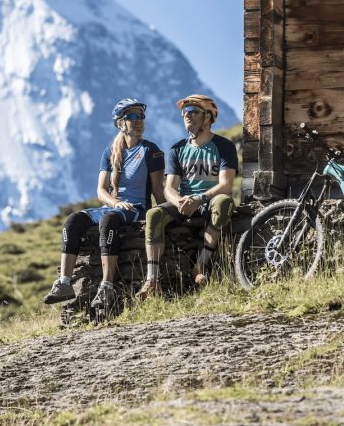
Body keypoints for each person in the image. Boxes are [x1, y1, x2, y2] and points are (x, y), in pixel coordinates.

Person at [43, 97, 165, 309]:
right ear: (120, 123)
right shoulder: (109, 152)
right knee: (73, 220)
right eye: (132, 116)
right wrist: (116, 202)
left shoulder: (150, 151)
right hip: (114, 206)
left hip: (136, 209)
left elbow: (158, 191)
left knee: (109, 220)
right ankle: (64, 283)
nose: (139, 120)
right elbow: (101, 190)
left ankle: (107, 286)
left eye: (141, 116)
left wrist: (166, 214)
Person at [137, 94, 238, 300]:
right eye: (184, 112)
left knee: (224, 203)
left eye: (193, 112)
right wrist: (179, 201)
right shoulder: (177, 149)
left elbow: (226, 185)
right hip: (183, 202)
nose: (187, 116)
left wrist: (199, 199)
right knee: (154, 215)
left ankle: (200, 265)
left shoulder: (224, 146)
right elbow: (169, 188)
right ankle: (152, 280)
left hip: (208, 200)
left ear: (208, 117)